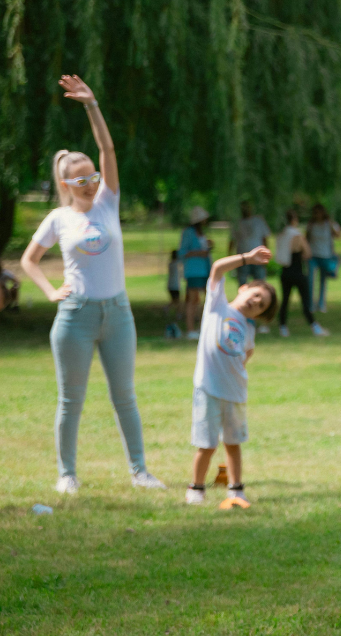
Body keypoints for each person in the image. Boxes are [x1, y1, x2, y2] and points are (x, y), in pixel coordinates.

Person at [19, 74, 166, 494]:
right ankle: (67, 475)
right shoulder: (59, 219)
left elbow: (108, 148)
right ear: (66, 185)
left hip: (118, 314)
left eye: (94, 177)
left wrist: (91, 104)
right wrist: (50, 291)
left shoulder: (108, 201)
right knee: (71, 401)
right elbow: (30, 261)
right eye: (82, 180)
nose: (91, 183)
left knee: (125, 396)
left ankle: (140, 472)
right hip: (76, 317)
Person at [185, 245, 278, 506]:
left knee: (233, 443)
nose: (256, 302)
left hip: (235, 393)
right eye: (257, 295)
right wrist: (247, 258)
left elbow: (246, 356)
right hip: (208, 389)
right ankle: (196, 488)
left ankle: (236, 489)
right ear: (244, 288)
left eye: (261, 306)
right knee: (207, 444)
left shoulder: (248, 330)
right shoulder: (218, 305)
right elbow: (216, 268)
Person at [276, 210, 329, 337]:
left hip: (285, 271)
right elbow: (308, 252)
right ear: (294, 220)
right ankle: (314, 326)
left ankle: (283, 327)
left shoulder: (281, 234)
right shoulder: (297, 234)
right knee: (305, 301)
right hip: (298, 271)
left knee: (285, 300)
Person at [180, 207, 213, 339]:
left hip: (205, 269)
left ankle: (202, 327)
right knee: (193, 299)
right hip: (193, 270)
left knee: (204, 299)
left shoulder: (201, 233)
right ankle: (190, 329)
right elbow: (182, 251)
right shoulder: (188, 233)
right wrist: (199, 253)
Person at [307, 203, 341, 313]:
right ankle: (311, 305)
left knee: (323, 280)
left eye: (319, 212)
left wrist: (331, 223)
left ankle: (321, 304)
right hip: (313, 255)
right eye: (315, 213)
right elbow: (306, 238)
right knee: (311, 280)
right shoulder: (311, 225)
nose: (317, 215)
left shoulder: (328, 224)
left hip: (325, 255)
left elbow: (338, 235)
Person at [228, 201, 271, 287]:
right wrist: (230, 256)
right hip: (242, 257)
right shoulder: (237, 223)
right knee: (242, 283)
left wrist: (266, 254)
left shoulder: (259, 221)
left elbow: (264, 238)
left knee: (260, 283)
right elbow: (232, 240)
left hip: (258, 256)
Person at [166, 250, 183, 338]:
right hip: (175, 285)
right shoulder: (177, 263)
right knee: (177, 301)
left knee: (175, 300)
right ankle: (178, 314)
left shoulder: (171, 264)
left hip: (170, 285)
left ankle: (168, 308)